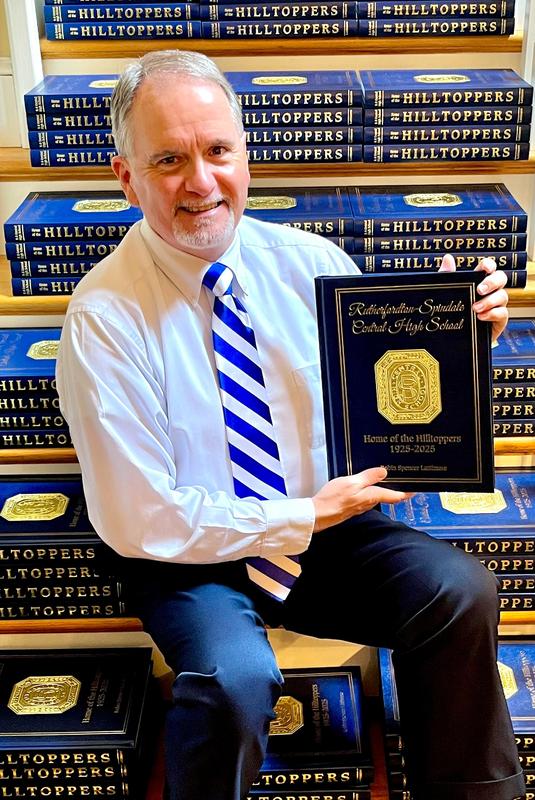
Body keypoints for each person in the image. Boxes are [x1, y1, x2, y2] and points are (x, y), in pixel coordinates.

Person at [56, 50, 525, 800]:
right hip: (187, 556)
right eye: (169, 159)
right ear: (126, 177)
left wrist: (458, 338)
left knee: (458, 589)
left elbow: (385, 390)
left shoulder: (310, 264)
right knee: (236, 680)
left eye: (217, 151)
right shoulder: (103, 318)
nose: (200, 182)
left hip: (324, 533)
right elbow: (140, 517)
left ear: (245, 154)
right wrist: (302, 513)